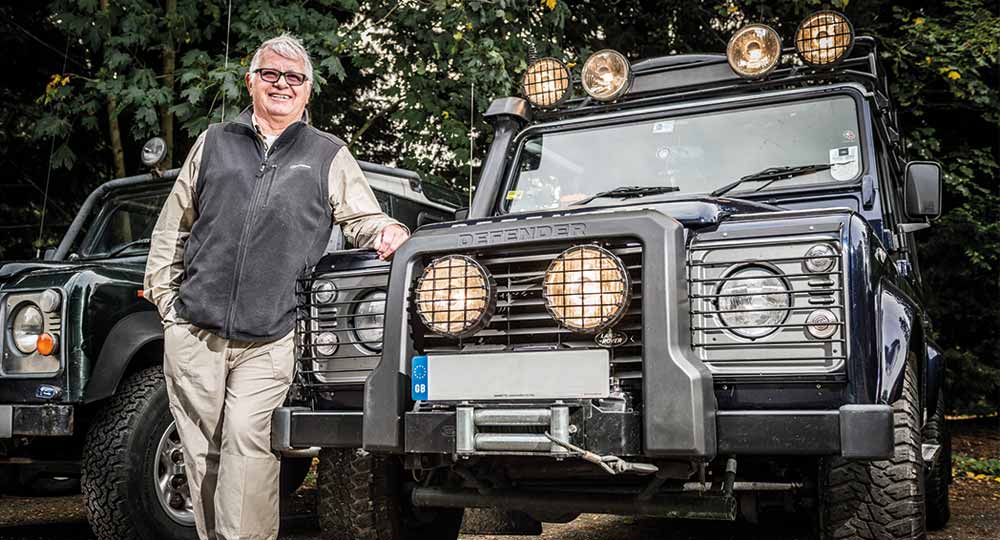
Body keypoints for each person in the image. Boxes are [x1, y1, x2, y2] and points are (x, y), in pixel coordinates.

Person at [143, 34, 408, 540]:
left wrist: (387, 231)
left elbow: (363, 217)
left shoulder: (327, 153)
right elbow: (172, 229)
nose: (281, 84)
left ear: (307, 90)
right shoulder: (214, 142)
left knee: (248, 443)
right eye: (270, 74)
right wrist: (168, 306)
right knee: (202, 452)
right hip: (195, 331)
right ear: (251, 81)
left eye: (294, 77)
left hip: (272, 336)